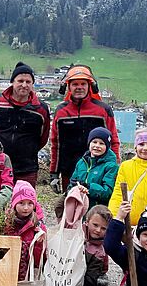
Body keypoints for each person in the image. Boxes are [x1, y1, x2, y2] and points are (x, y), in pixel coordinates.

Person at [50, 65, 120, 193]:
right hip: (69, 171)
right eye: (75, 84)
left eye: (83, 83)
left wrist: (114, 167)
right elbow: (56, 144)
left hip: (99, 172)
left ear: (90, 86)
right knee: (70, 204)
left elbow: (113, 141)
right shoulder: (61, 111)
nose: (79, 87)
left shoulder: (103, 110)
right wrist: (54, 173)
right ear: (68, 86)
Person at [0, 62, 51, 186]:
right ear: (12, 82)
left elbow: (43, 138)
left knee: (25, 198)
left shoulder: (40, 109)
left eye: (28, 82)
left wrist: (28, 150)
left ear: (32, 84)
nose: (24, 85)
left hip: (27, 168)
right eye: (20, 81)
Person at [3, 180, 47, 282]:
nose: (26, 208)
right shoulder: (6, 223)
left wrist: (39, 244)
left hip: (30, 275)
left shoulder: (39, 226)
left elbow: (42, 258)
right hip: (8, 272)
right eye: (21, 203)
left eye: (30, 203)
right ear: (14, 203)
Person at [67, 127, 119, 207]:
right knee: (59, 206)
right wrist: (73, 187)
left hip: (97, 207)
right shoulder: (81, 162)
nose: (97, 146)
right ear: (89, 143)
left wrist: (88, 187)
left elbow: (107, 192)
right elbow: (73, 181)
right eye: (94, 142)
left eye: (101, 143)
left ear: (107, 146)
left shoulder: (111, 166)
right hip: (78, 202)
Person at [82, 205, 111, 286]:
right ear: (87, 221)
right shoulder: (76, 234)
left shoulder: (100, 252)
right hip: (66, 281)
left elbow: (90, 279)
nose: (98, 230)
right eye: (95, 225)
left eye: (103, 228)